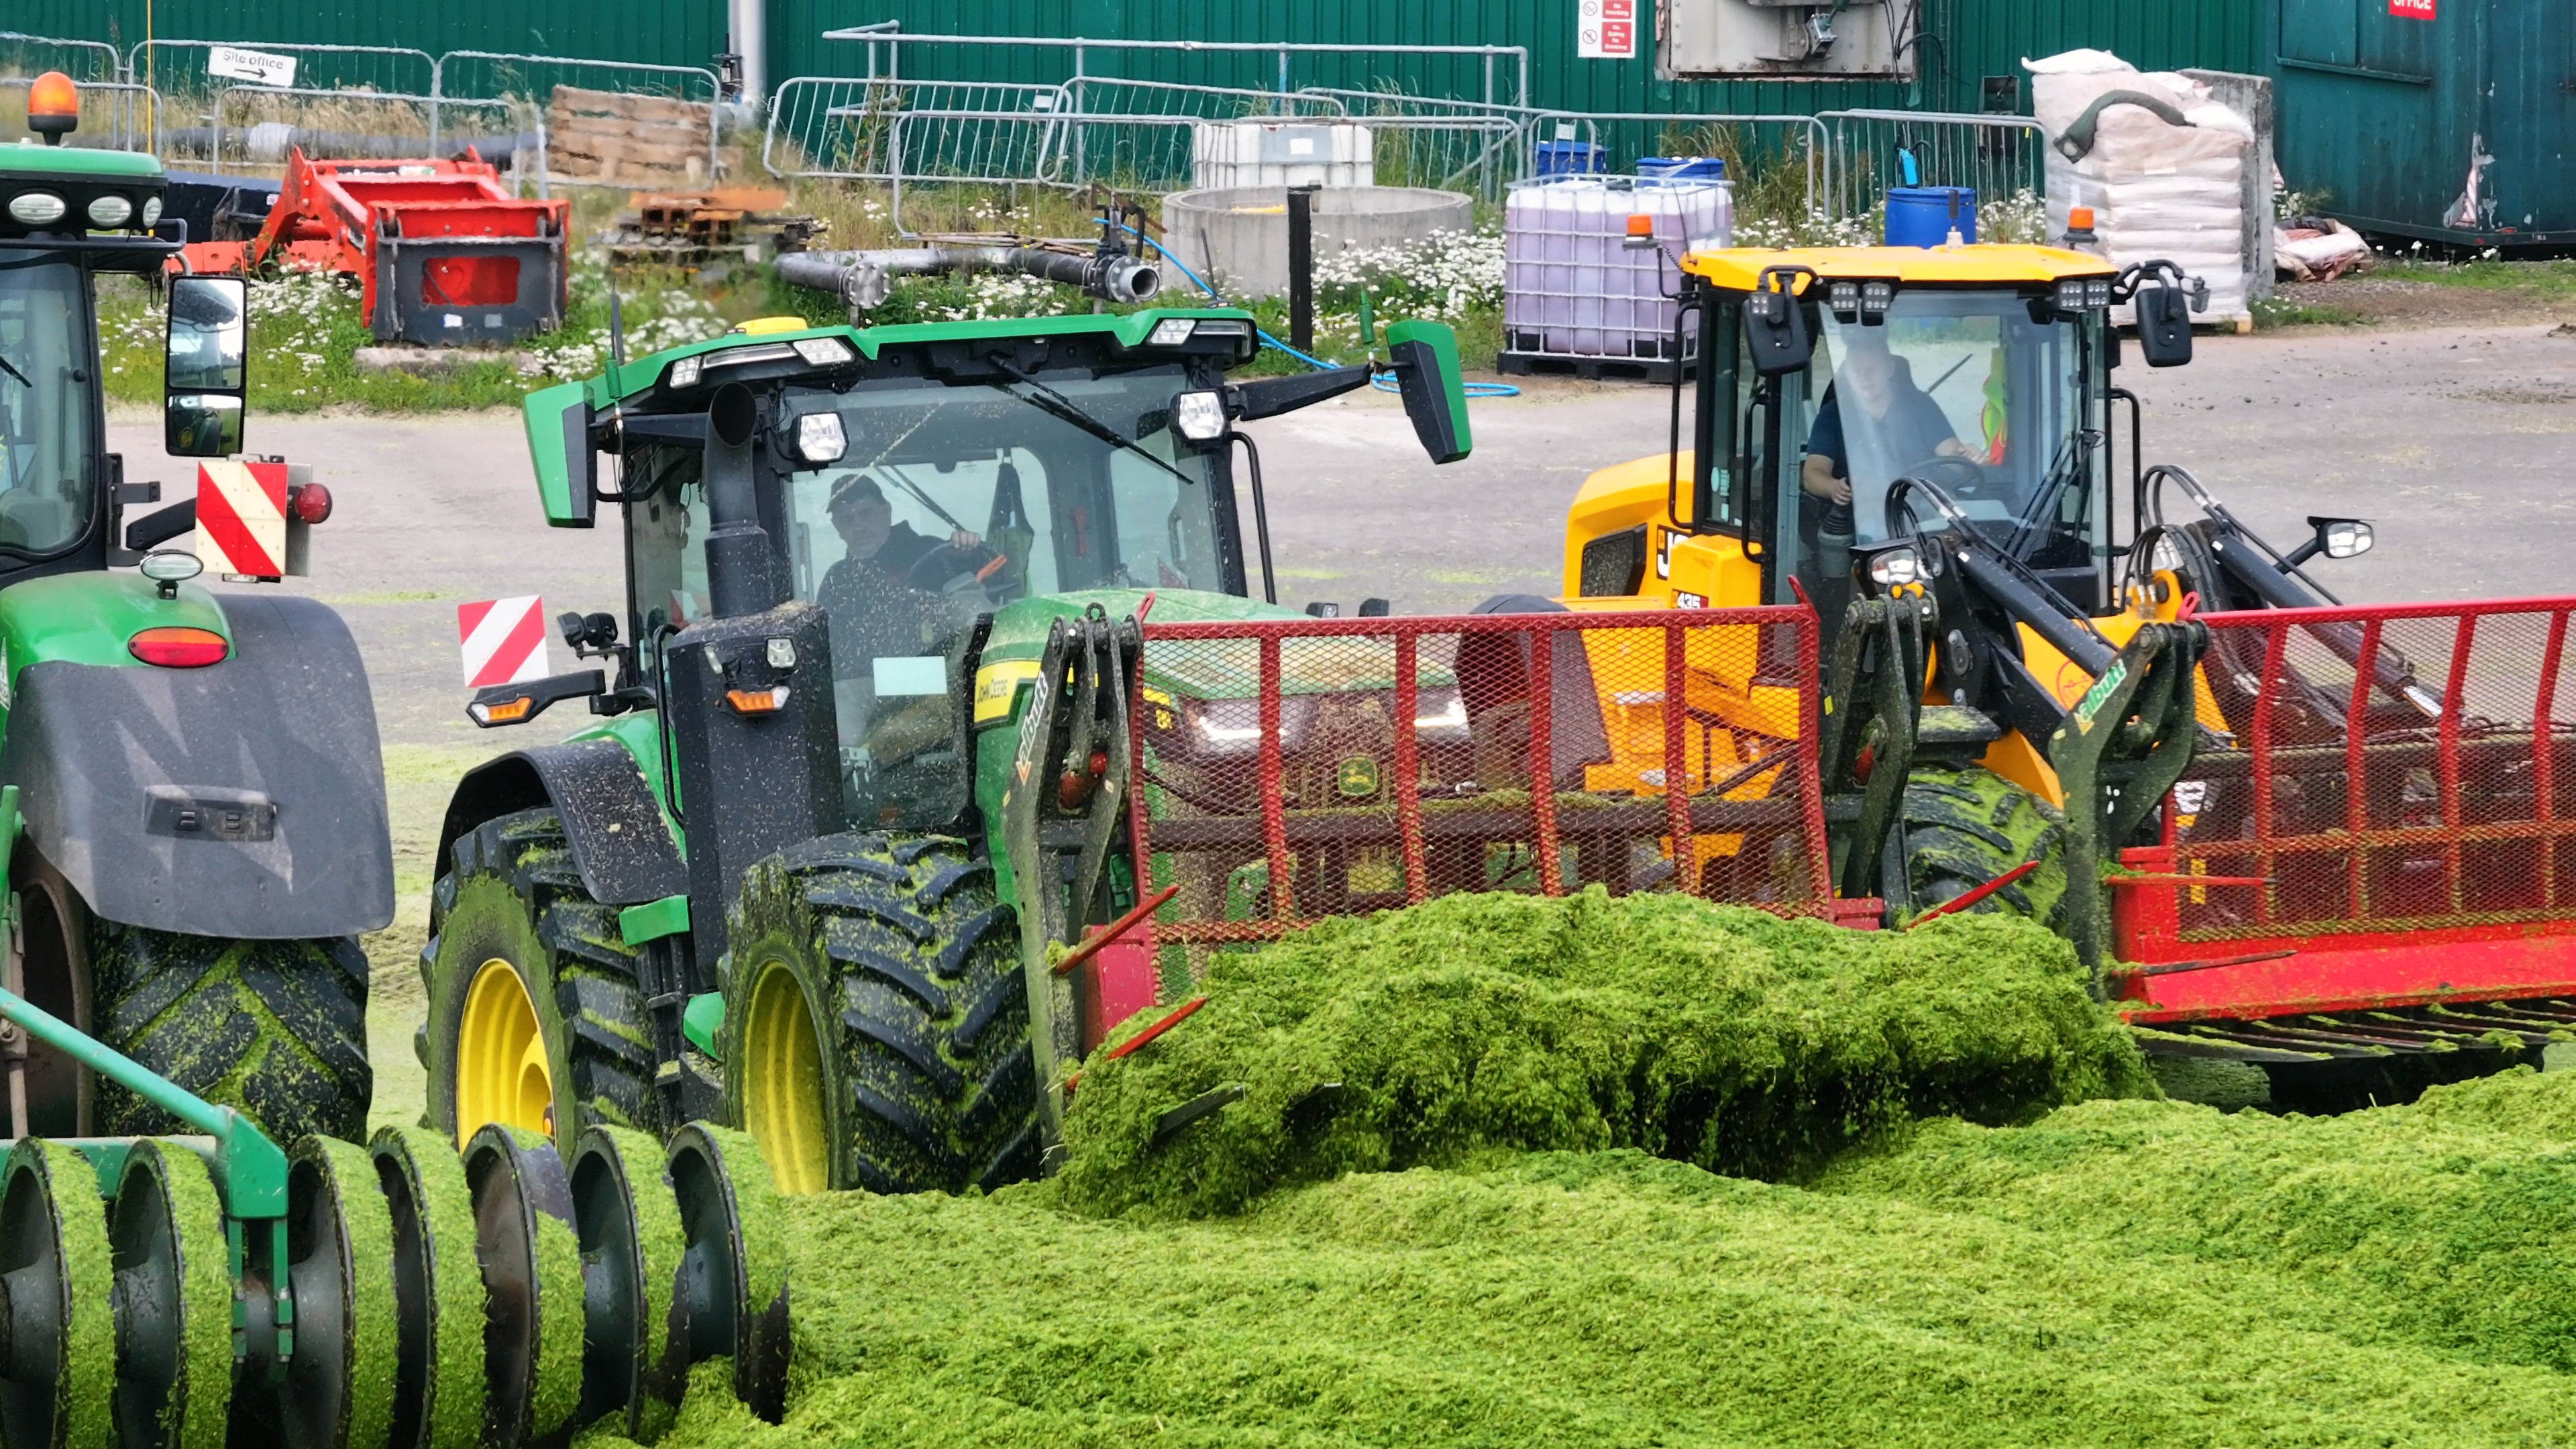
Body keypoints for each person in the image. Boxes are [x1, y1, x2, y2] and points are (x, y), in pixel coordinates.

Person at [1799, 330, 1972, 513]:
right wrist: (1833, 487)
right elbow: (1812, 474)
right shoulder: (1832, 414)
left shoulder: (1920, 405)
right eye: (1856, 371)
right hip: (1859, 515)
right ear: (1847, 375)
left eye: (1871, 369)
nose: (1864, 378)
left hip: (1922, 505)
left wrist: (1964, 455)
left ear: (1890, 369)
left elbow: (1952, 454)